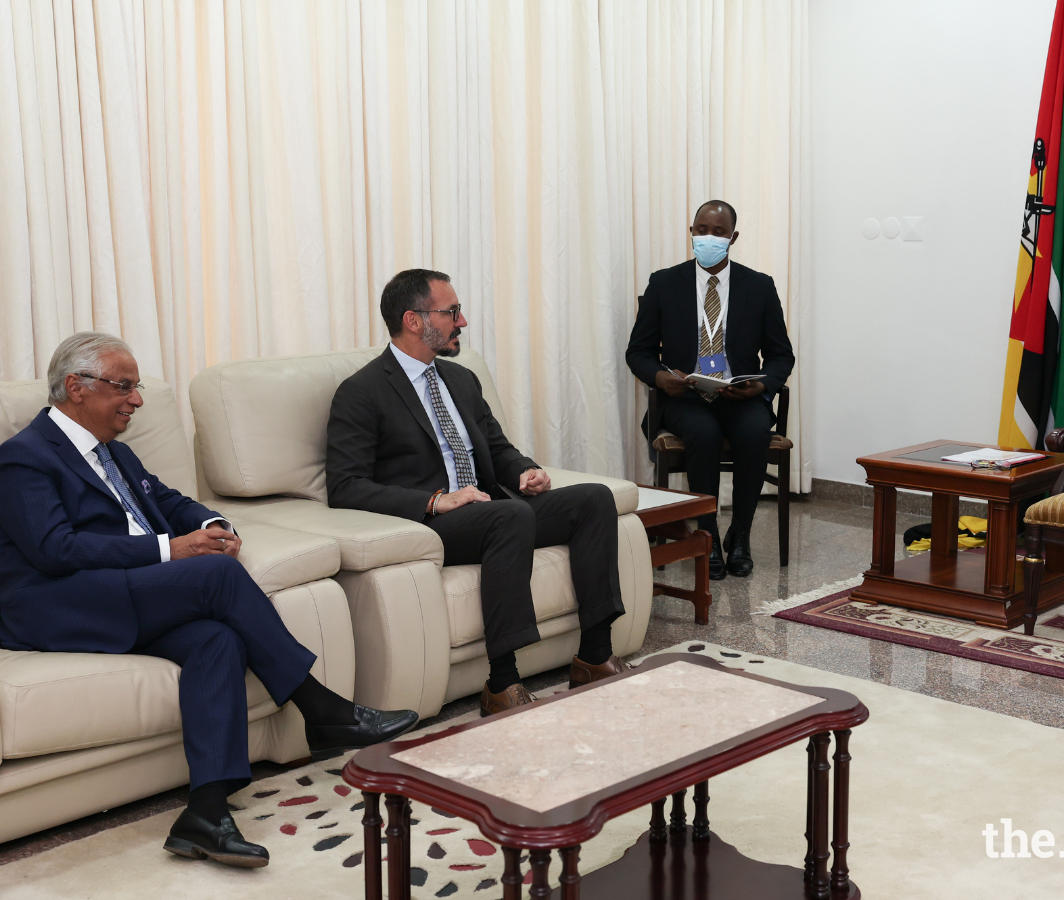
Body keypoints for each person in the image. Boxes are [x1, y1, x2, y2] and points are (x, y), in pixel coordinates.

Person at [0, 333, 419, 868]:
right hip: (54, 604)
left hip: (119, 595)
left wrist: (210, 522)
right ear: (77, 388)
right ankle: (321, 708)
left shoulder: (118, 455)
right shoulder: (23, 457)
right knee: (215, 575)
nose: (136, 399)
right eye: (123, 386)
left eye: (138, 387)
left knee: (216, 640)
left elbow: (169, 501)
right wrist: (170, 549)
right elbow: (53, 550)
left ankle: (206, 812)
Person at [326, 269, 629, 717]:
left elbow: (498, 447)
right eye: (451, 312)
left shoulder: (460, 379)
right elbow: (345, 486)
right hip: (435, 523)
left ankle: (593, 656)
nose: (462, 321)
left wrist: (526, 472)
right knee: (511, 517)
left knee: (593, 499)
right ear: (413, 320)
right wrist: (433, 501)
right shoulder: (361, 392)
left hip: (489, 511)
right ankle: (502, 683)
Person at [625, 200, 795, 578]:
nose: (709, 237)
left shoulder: (759, 286)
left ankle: (740, 535)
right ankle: (708, 534)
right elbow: (638, 351)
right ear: (691, 232)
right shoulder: (665, 283)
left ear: (732, 238)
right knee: (702, 432)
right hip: (685, 396)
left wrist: (761, 385)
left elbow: (782, 356)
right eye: (702, 229)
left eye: (718, 232)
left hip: (739, 395)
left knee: (754, 432)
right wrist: (660, 377)